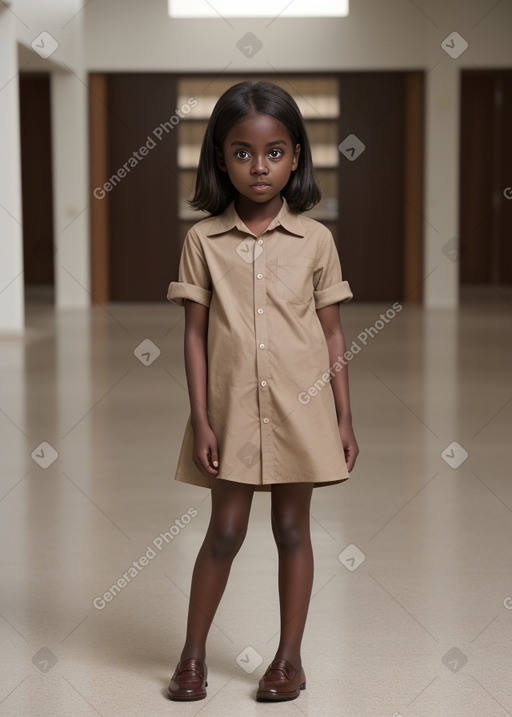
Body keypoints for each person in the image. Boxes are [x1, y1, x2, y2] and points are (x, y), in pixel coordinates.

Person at [166, 80, 359, 702]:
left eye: (275, 151)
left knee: (292, 529)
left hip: (302, 409)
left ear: (297, 156)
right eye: (243, 152)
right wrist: (201, 419)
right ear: (220, 157)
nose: (259, 166)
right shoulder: (203, 241)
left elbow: (332, 335)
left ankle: (288, 660)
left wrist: (344, 417)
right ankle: (191, 657)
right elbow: (194, 337)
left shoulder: (317, 242)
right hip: (231, 412)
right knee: (224, 529)